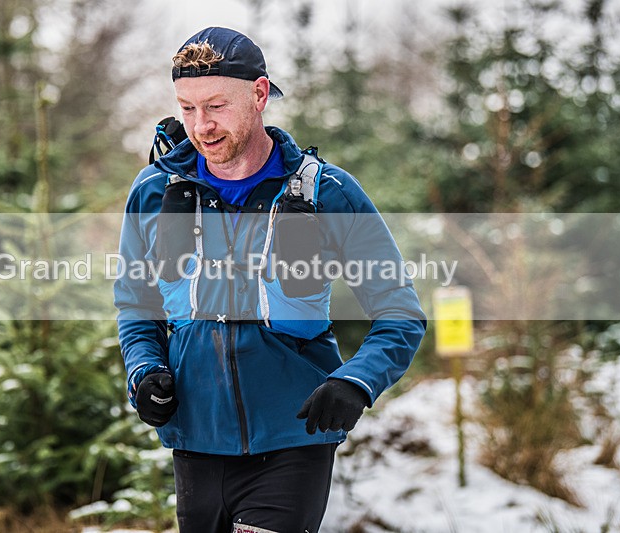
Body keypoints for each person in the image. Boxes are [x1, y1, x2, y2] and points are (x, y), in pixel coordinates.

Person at [114, 26, 426, 533]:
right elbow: (135, 301)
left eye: (216, 105)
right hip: (195, 438)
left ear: (259, 94)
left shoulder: (327, 192)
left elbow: (399, 309)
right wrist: (145, 368)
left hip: (294, 436)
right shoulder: (155, 191)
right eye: (187, 107)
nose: (201, 125)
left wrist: (357, 380)